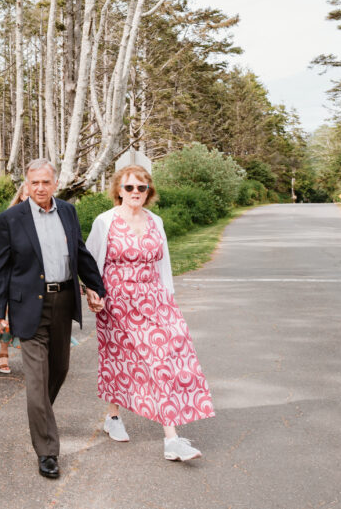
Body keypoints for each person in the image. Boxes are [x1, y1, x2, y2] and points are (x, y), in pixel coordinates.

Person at [86, 165, 214, 462]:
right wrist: (92, 292)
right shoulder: (105, 222)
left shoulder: (156, 221)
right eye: (129, 187)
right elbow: (90, 263)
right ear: (118, 189)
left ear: (149, 191)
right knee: (122, 360)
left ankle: (159, 433)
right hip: (118, 302)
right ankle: (133, 424)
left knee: (167, 358)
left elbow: (163, 264)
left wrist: (169, 299)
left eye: (141, 188)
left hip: (155, 299)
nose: (135, 193)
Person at [0, 158, 107, 480]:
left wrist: (97, 286)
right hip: (28, 308)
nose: (40, 188)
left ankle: (40, 416)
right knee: (37, 381)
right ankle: (47, 451)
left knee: (60, 369)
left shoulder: (67, 212)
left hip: (64, 300)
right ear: (26, 185)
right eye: (34, 182)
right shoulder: (11, 218)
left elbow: (80, 253)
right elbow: (1, 269)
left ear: (55, 183)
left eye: (46, 182)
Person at [0, 182, 31, 374]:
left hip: (31, 280)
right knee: (6, 318)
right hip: (11, 277)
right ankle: (3, 353)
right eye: (27, 193)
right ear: (21, 196)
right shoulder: (10, 218)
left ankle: (35, 358)